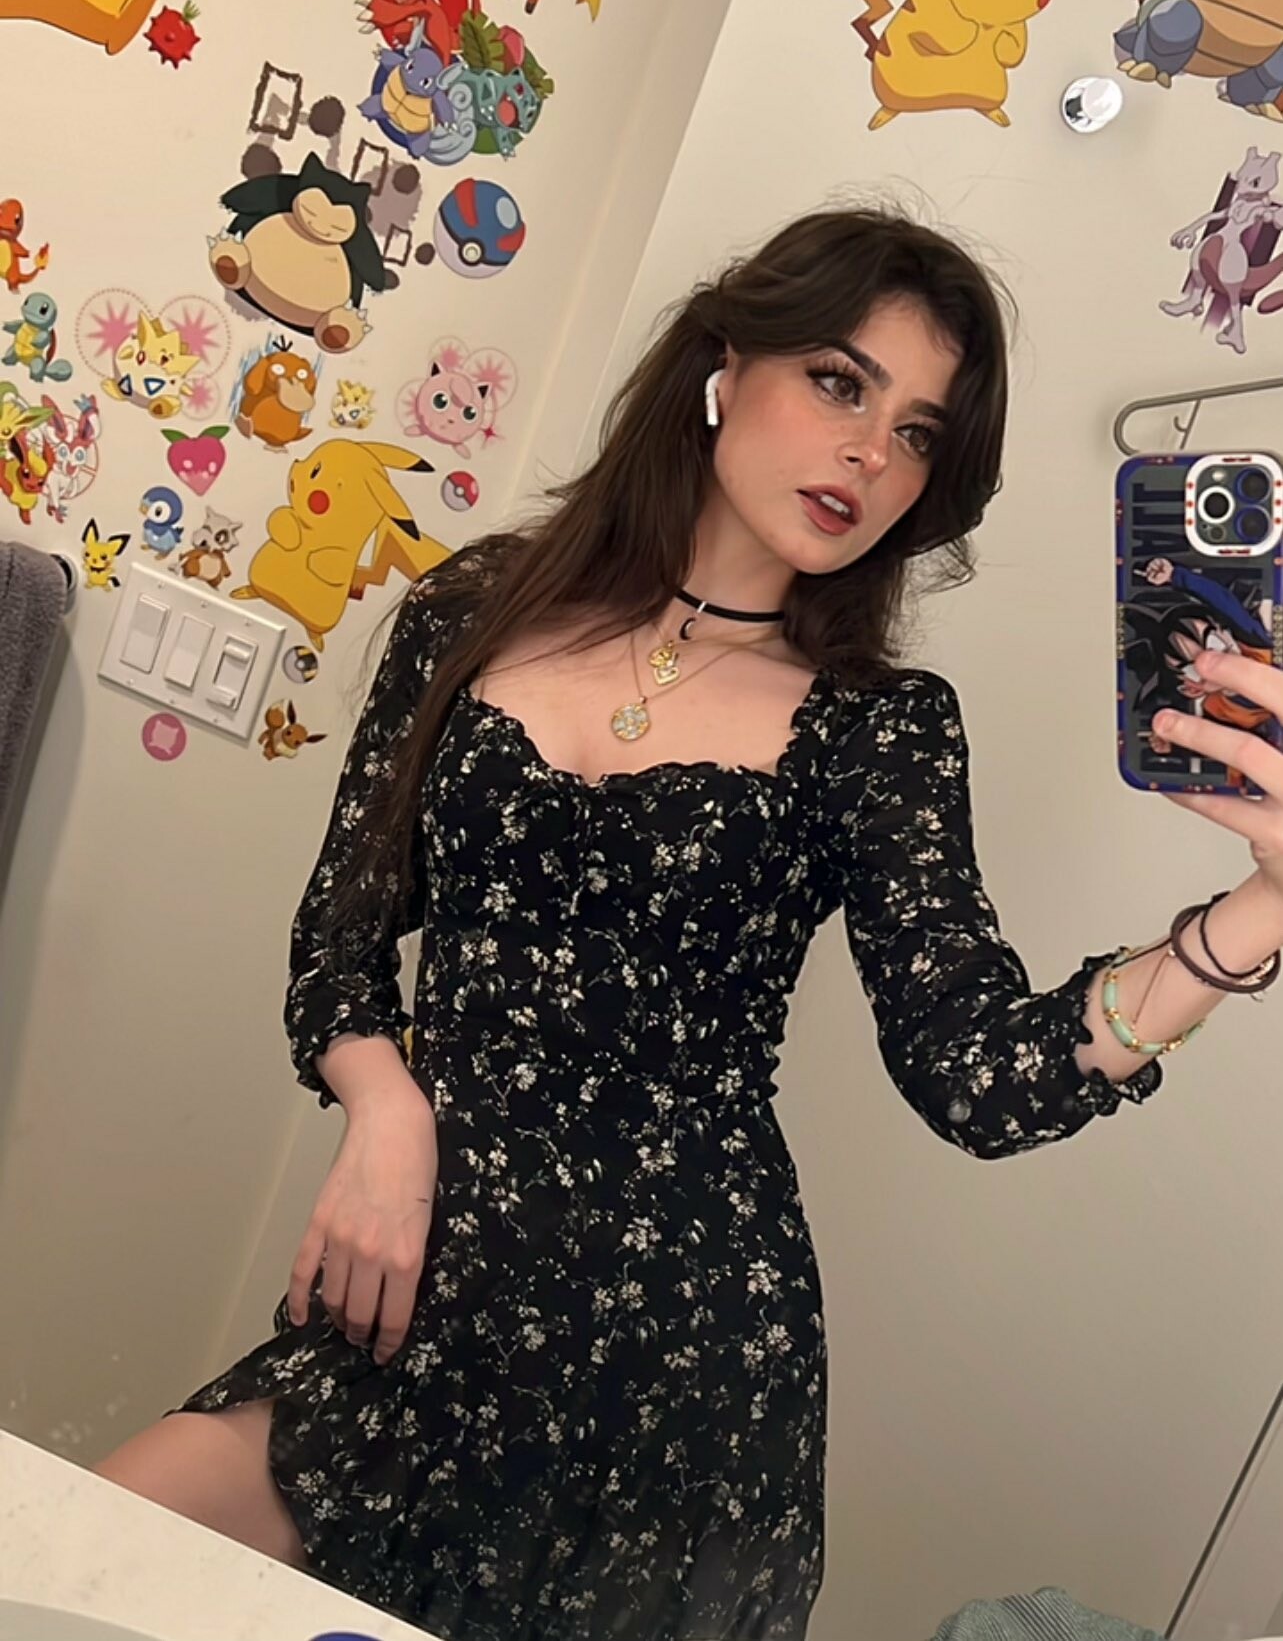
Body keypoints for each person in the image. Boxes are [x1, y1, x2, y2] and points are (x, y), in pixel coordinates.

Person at [93, 208, 1283, 1641]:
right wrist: (385, 1105)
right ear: (726, 364)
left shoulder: (878, 730)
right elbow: (338, 946)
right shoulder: (473, 607)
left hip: (680, 1377)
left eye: (916, 434)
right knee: (83, 1566)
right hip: (415, 1307)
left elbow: (982, 1076)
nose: (870, 453)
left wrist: (1258, 911)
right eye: (840, 383)